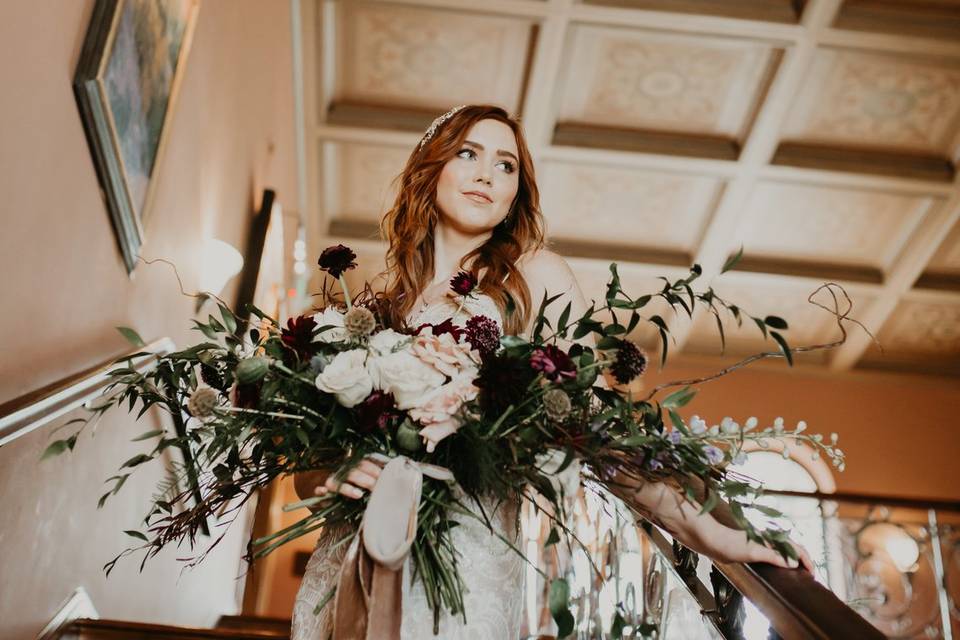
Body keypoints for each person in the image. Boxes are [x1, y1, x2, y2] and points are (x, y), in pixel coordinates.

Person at [290, 104, 812, 639]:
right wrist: (332, 474)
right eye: (467, 154)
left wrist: (719, 533)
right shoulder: (380, 305)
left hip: (464, 556)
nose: (486, 174)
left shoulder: (533, 276)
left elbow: (602, 432)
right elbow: (307, 466)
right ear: (432, 167)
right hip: (350, 556)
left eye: (505, 165)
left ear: (517, 190)